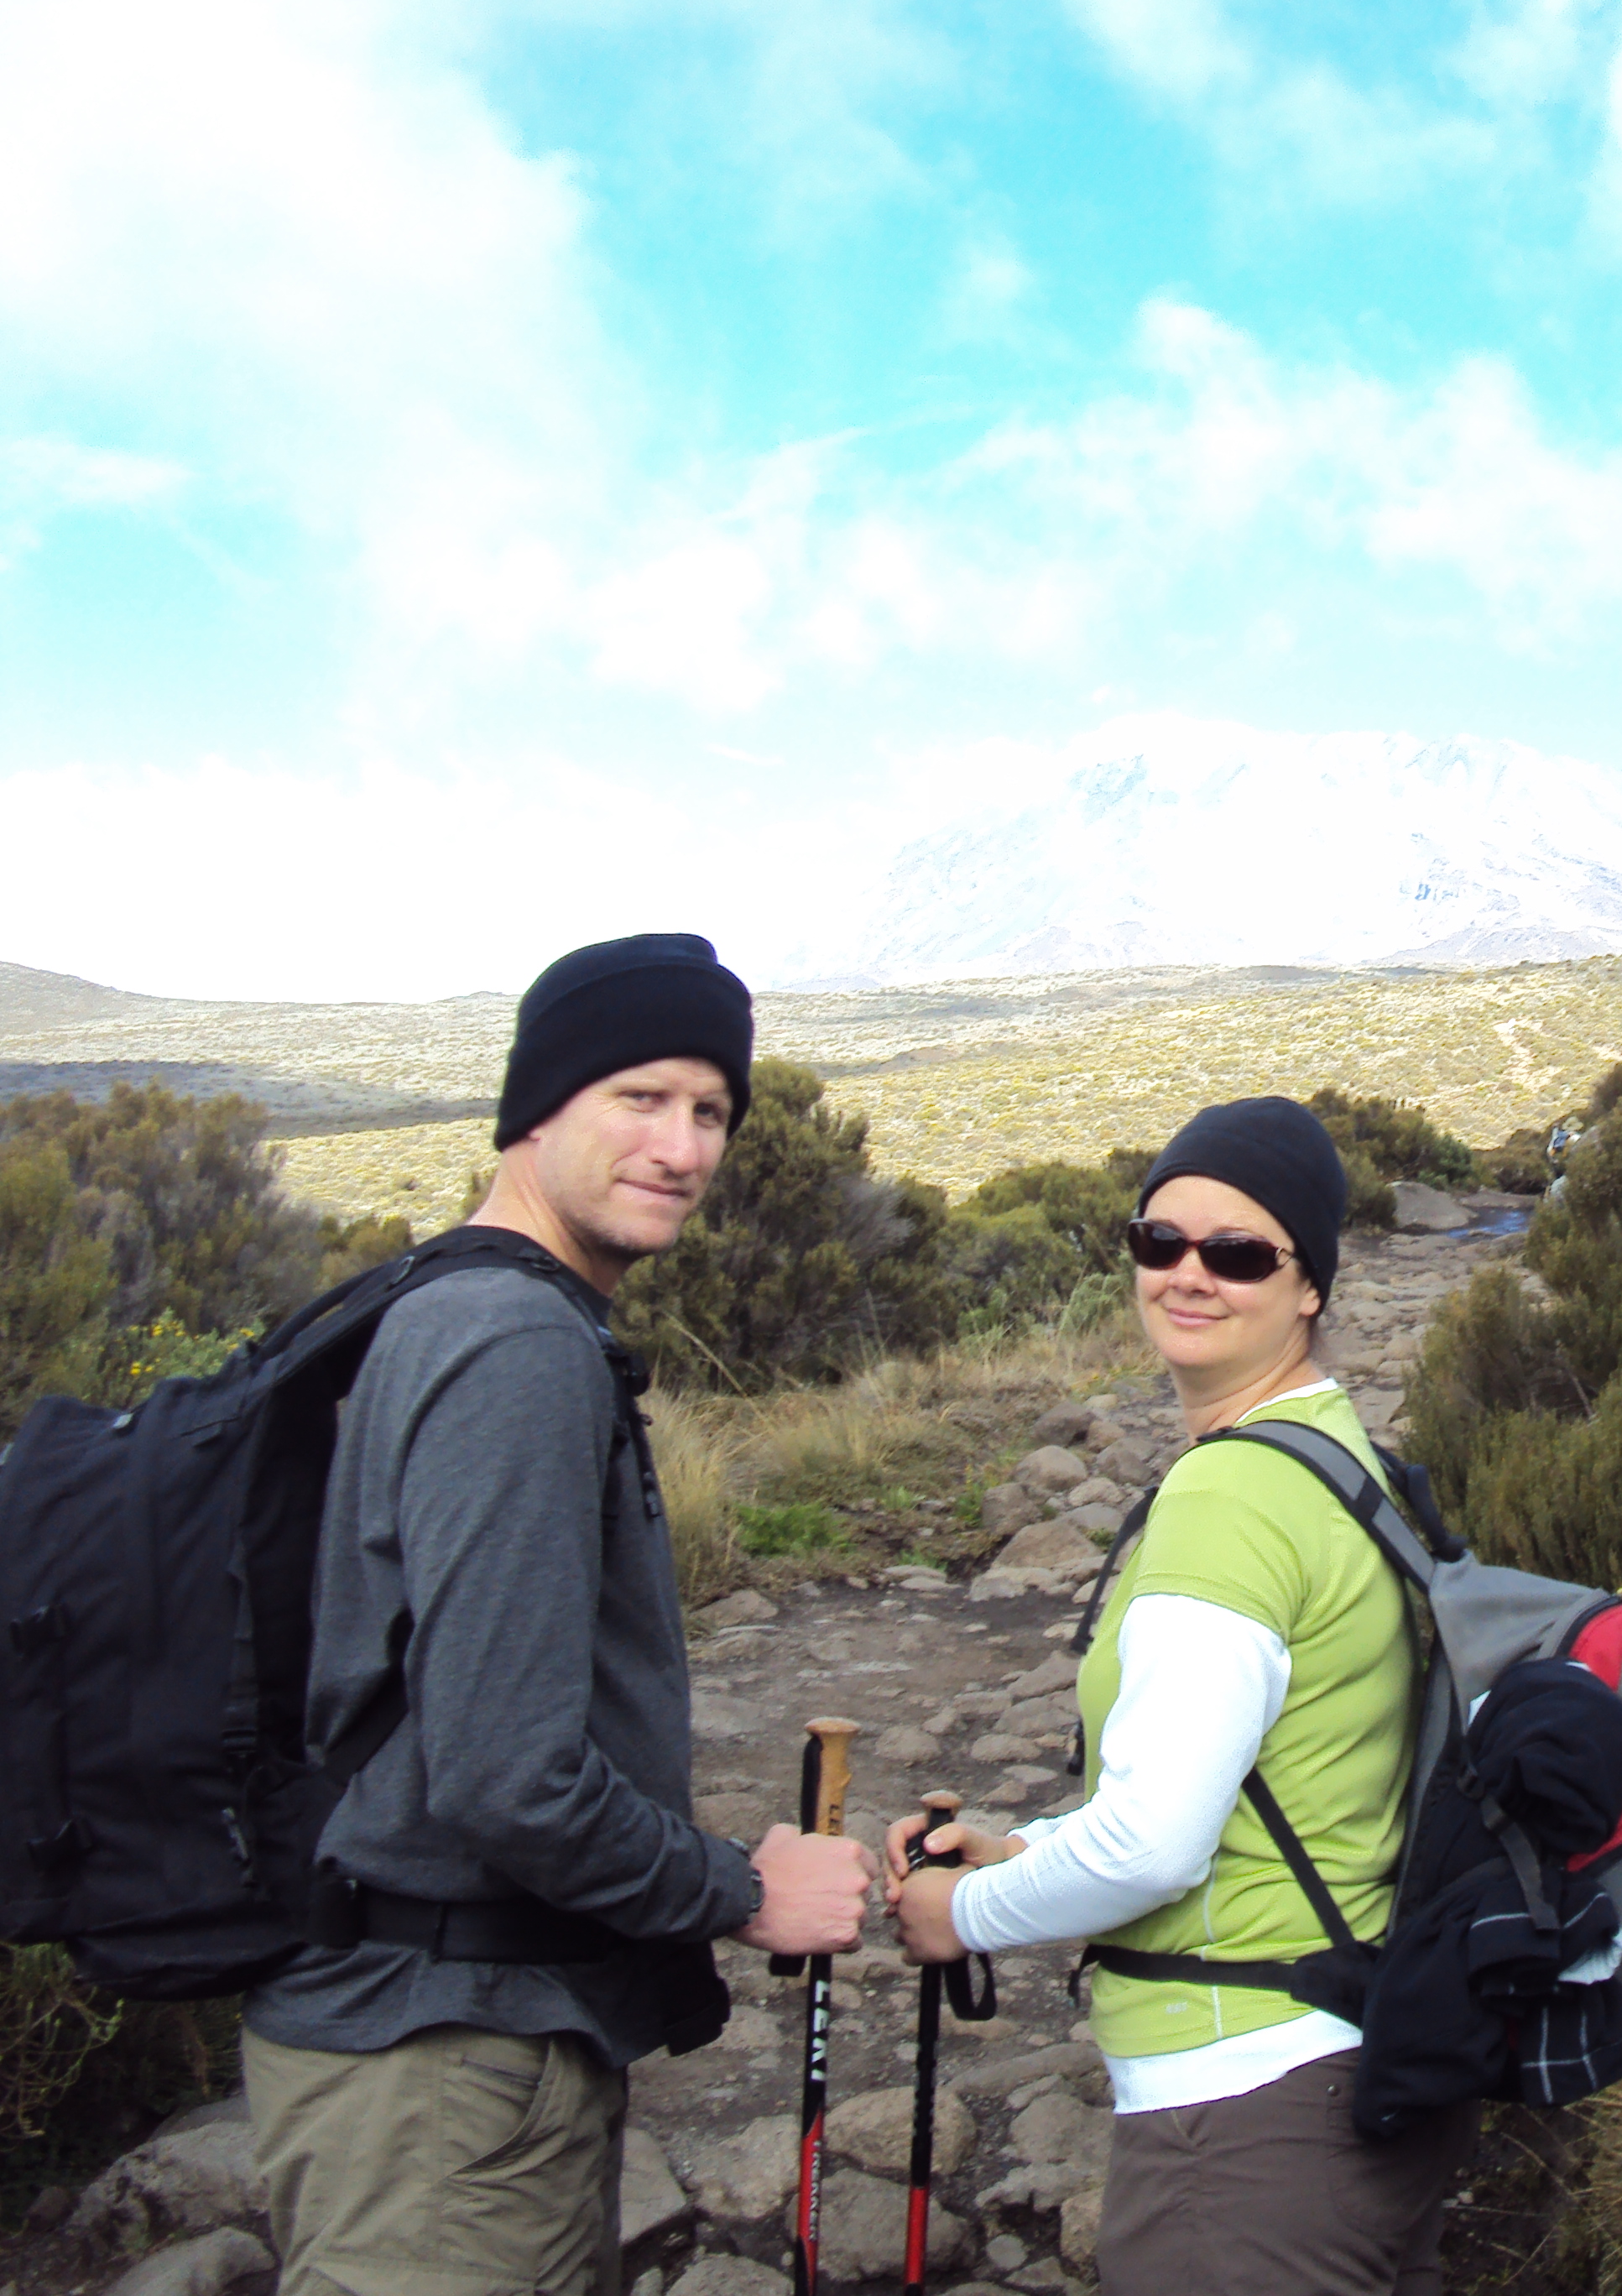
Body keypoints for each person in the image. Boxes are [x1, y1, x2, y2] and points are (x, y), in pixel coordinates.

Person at [243, 933, 875, 2296]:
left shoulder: (450, 1304)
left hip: (435, 2047)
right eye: (640, 1097)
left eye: (712, 1111)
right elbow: (507, 1779)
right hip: (446, 2082)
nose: (685, 1147)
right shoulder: (519, 1349)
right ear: (539, 1108)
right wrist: (743, 1892)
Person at [885, 1096, 1473, 2295]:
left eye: (1240, 1253)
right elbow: (1269, 1781)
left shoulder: (1232, 1497)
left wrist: (961, 1916)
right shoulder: (1339, 1456)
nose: (1188, 1275)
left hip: (1243, 2123)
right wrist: (1024, 1848)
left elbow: (1154, 1845)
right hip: (1356, 2078)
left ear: (1310, 1286)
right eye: (1161, 1242)